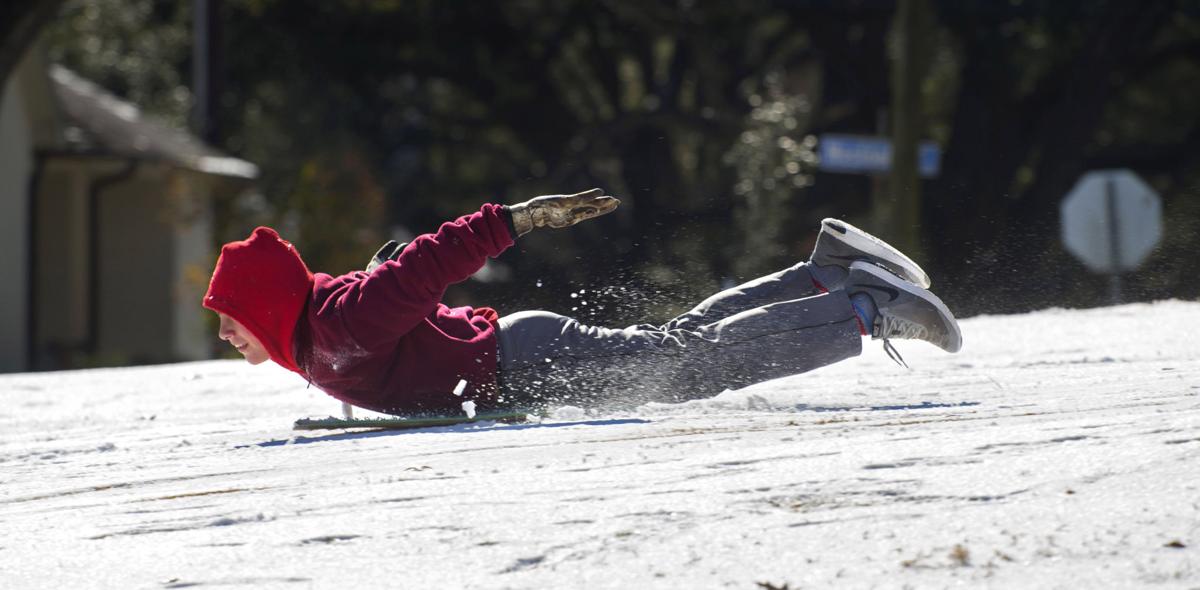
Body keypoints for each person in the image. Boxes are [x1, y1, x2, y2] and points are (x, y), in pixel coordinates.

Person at [203, 189, 961, 415]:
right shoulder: (321, 328)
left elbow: (421, 269)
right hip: (523, 354)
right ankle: (825, 269)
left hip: (527, 363)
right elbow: (385, 305)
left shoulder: (334, 329)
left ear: (268, 306)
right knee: (681, 343)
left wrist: (515, 221)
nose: (227, 335)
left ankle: (861, 307)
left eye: (230, 320)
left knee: (690, 365)